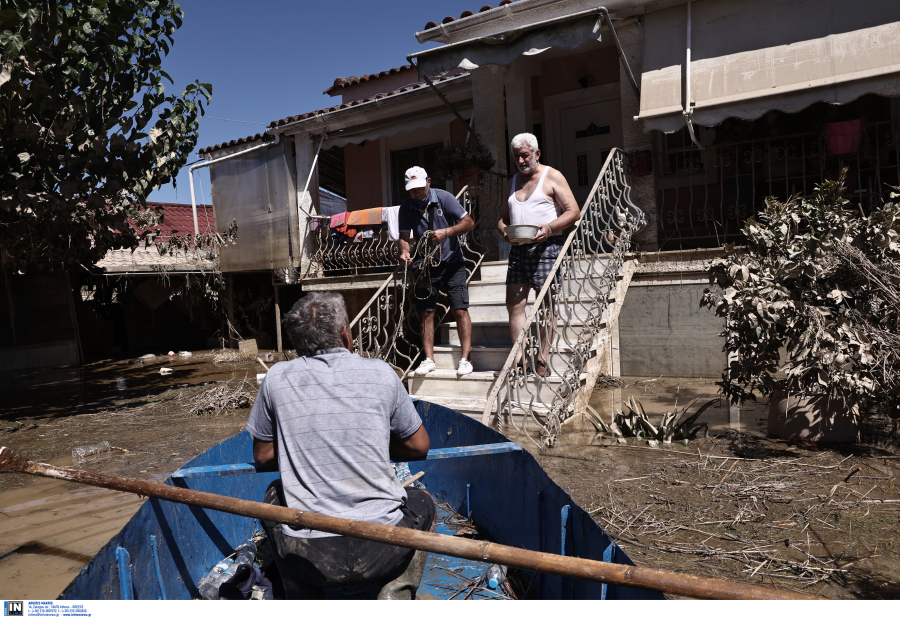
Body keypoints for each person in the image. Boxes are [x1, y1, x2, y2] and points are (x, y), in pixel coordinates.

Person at [246, 292, 435, 599]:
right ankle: (397, 591)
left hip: (310, 556)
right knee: (423, 501)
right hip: (384, 549)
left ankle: (301, 592)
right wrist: (367, 444)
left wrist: (305, 447)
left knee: (273, 497)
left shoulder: (276, 378)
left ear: (298, 343)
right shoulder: (381, 372)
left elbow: (263, 456)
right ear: (346, 334)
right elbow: (419, 446)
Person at [497, 133, 580, 376]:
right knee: (514, 304)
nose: (521, 160)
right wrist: (503, 230)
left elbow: (573, 211)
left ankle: (542, 359)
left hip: (547, 247)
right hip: (517, 249)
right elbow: (503, 218)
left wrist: (550, 228)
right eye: (517, 157)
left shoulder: (552, 176)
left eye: (525, 155)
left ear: (537, 153)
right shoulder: (512, 182)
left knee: (546, 305)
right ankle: (519, 359)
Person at [397, 166, 476, 377]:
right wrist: (404, 252)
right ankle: (429, 359)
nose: (416, 193)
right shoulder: (406, 207)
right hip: (425, 264)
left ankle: (466, 359)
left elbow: (468, 222)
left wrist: (447, 232)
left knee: (460, 310)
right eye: (412, 189)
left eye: (419, 188)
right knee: (426, 312)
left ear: (428, 182)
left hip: (452, 262)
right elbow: (404, 237)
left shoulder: (444, 198)